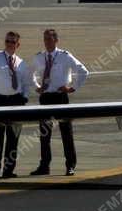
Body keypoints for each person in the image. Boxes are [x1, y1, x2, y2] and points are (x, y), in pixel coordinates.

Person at [30, 28, 88, 176]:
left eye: (49, 39)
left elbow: (83, 71)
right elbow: (30, 74)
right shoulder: (39, 57)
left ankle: (70, 165)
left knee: (66, 133)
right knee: (44, 134)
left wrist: (72, 88)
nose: (47, 42)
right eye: (45, 39)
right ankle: (44, 166)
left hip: (61, 97)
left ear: (56, 40)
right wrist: (37, 87)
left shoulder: (64, 56)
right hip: (46, 97)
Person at [0, 31, 30, 178]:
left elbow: (26, 83)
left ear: (18, 45)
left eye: (12, 42)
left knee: (13, 137)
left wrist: (24, 97)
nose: (9, 44)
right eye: (7, 41)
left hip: (16, 101)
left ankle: (9, 170)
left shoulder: (21, 63)